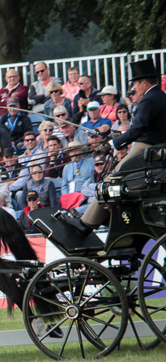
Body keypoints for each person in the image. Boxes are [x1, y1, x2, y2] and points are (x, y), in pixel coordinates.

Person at [66, 58, 166, 234]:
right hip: (154, 148)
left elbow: (137, 130)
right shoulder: (161, 96)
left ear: (144, 82)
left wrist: (113, 144)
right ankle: (103, 216)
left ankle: (87, 223)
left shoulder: (149, 100)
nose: (134, 88)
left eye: (136, 83)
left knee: (112, 180)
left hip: (145, 148)